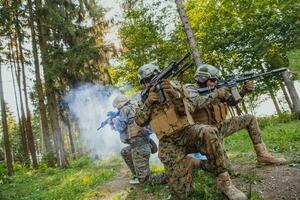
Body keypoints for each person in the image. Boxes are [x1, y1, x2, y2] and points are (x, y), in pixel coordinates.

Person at [135, 63, 247, 200]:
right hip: (168, 142)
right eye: (145, 81)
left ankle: (225, 184)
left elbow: (187, 109)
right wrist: (148, 103)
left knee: (208, 132)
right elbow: (139, 121)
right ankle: (188, 164)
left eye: (151, 78)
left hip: (187, 131)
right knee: (182, 194)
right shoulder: (143, 99)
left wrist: (174, 94)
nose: (148, 83)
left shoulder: (175, 85)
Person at [186, 64, 286, 166]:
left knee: (250, 118)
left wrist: (243, 91)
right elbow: (195, 103)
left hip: (221, 126)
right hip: (206, 133)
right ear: (202, 79)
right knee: (226, 168)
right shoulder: (190, 89)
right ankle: (192, 161)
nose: (215, 83)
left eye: (216, 80)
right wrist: (215, 94)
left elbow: (232, 101)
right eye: (212, 80)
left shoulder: (216, 88)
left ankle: (262, 155)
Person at [111, 95, 165, 185]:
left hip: (139, 147)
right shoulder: (135, 107)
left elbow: (121, 127)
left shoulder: (125, 109)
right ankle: (137, 175)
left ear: (119, 105)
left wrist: (114, 121)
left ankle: (170, 175)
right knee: (125, 152)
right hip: (141, 143)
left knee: (145, 181)